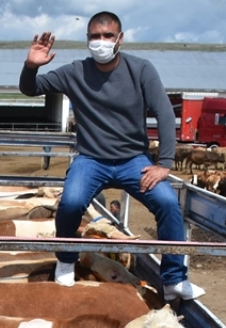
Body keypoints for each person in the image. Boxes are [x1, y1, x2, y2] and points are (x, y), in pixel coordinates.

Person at [20, 13, 203, 302]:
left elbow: (165, 113)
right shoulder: (75, 72)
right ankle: (66, 260)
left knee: (168, 203)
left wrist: (164, 164)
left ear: (120, 39)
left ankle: (174, 280)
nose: (101, 42)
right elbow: (30, 89)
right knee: (70, 202)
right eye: (95, 36)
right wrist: (31, 66)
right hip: (92, 159)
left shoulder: (141, 69)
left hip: (133, 160)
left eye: (107, 36)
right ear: (87, 40)